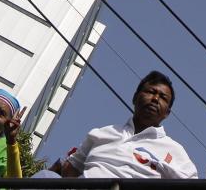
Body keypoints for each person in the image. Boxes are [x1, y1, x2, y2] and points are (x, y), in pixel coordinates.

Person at [35, 71, 197, 179]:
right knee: (45, 177)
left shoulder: (175, 151)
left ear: (167, 113)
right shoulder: (101, 134)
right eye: (151, 92)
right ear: (135, 98)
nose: (155, 99)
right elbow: (71, 170)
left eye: (163, 97)